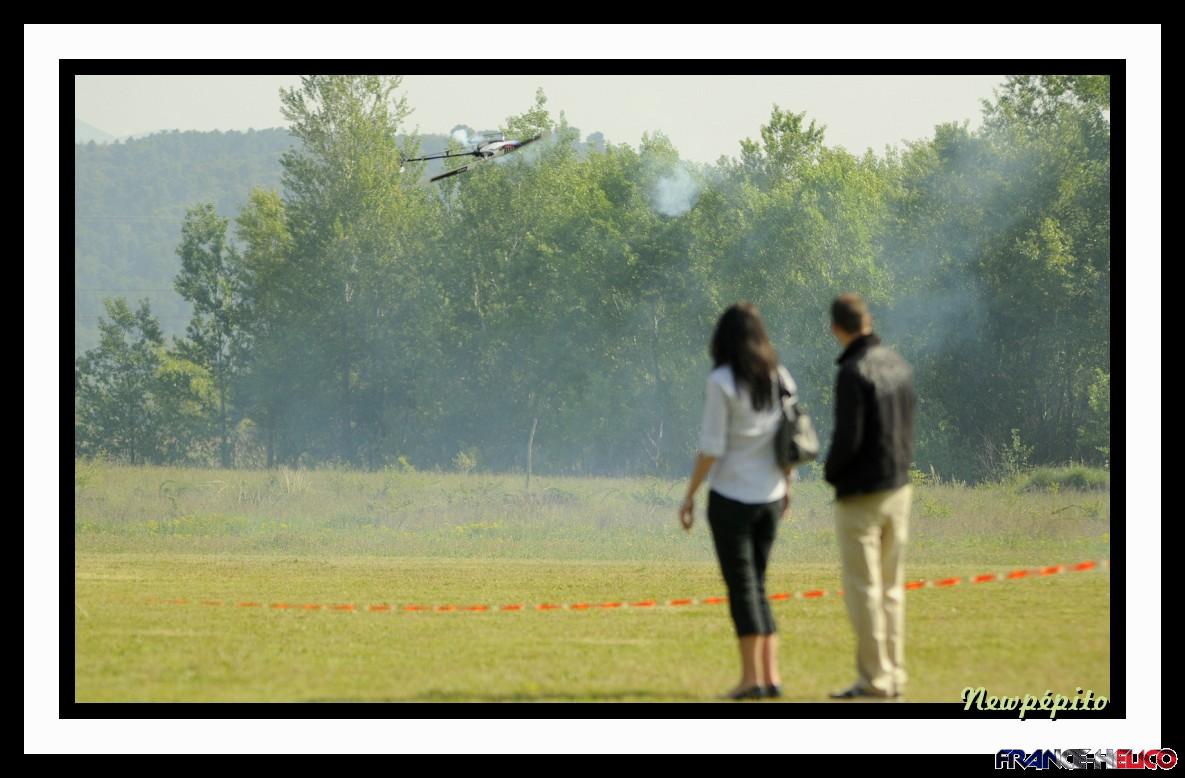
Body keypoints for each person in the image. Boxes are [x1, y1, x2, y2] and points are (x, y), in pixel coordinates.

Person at [678, 302, 797, 700]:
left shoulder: (722, 381)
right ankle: (770, 676)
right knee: (758, 585)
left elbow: (711, 448)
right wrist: (788, 485)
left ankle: (750, 679)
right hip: (770, 497)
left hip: (732, 498)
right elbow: (789, 438)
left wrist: (689, 495)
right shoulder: (780, 376)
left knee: (743, 588)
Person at [823, 293, 916, 700]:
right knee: (892, 589)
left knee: (863, 589)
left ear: (835, 328)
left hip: (862, 494)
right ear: (868, 321)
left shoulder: (852, 371)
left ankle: (875, 680)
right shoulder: (898, 363)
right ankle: (893, 675)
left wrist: (830, 472)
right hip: (899, 488)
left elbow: (848, 437)